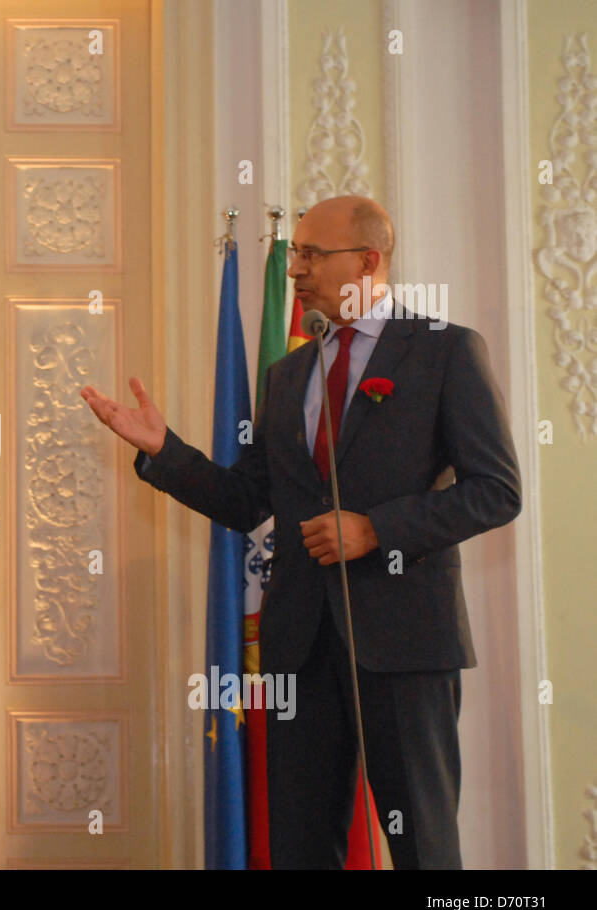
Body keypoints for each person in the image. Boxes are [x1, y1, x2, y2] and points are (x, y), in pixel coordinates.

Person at [82, 196, 521, 868]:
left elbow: (497, 491)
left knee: (422, 844)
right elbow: (250, 499)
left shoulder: (444, 351)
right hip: (299, 646)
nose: (296, 271)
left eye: (313, 254)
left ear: (369, 261)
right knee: (301, 847)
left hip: (405, 643)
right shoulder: (288, 376)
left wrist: (377, 529)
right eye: (296, 256)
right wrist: (164, 450)